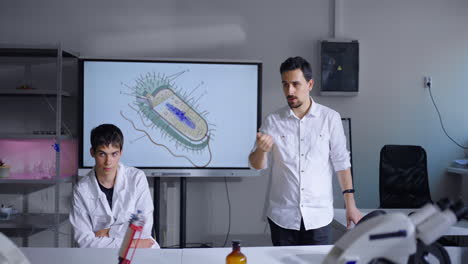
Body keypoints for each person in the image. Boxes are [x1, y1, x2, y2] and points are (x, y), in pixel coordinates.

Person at [249, 56, 362, 246]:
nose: (289, 91)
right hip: (282, 217)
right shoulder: (273, 121)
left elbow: (341, 163)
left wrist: (351, 205)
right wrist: (261, 151)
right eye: (285, 84)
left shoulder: (330, 119)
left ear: (310, 84)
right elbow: (256, 165)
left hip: (319, 217)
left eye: (295, 84)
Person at [70, 124, 159, 248]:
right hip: (104, 257)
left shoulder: (137, 178)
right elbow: (84, 242)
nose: (108, 161)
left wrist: (109, 232)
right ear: (92, 153)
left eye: (114, 154)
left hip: (139, 255)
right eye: (102, 154)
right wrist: (133, 244)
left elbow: (143, 228)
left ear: (121, 152)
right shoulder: (81, 190)